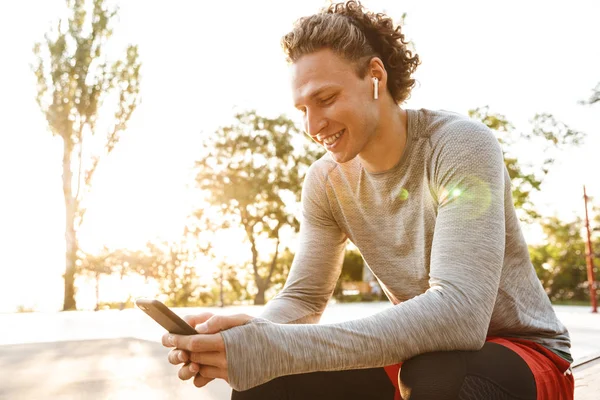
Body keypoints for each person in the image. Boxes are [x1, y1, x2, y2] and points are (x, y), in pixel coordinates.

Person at [161, 1, 575, 399]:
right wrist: (246, 336)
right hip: (417, 352)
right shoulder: (326, 181)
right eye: (302, 108)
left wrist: (277, 347)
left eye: (325, 100)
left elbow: (460, 313)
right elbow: (303, 300)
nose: (312, 125)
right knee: (267, 379)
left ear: (375, 76)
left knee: (435, 378)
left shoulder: (459, 145)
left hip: (522, 353)